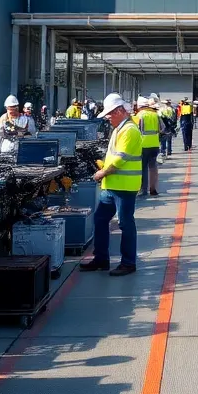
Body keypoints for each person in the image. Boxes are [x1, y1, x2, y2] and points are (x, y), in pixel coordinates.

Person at [81, 93, 142, 276]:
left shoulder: (129, 130)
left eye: (109, 114)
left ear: (119, 111)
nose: (107, 117)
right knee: (100, 219)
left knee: (125, 223)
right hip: (111, 185)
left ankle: (128, 263)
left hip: (124, 186)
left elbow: (120, 160)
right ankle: (101, 258)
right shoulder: (118, 129)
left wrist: (102, 172)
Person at [133, 95, 162, 197]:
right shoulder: (155, 114)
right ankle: (153, 189)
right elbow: (162, 128)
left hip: (143, 144)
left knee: (143, 168)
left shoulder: (139, 115)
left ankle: (143, 190)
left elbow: (136, 130)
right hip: (155, 144)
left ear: (139, 106)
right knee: (153, 167)